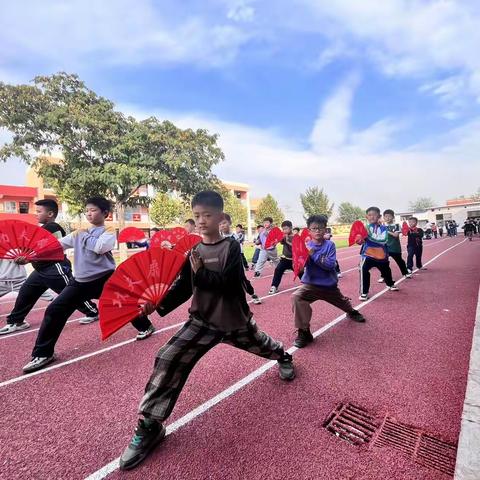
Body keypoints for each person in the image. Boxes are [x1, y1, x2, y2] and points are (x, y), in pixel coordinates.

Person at [119, 191, 295, 471]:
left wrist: (200, 272)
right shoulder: (193, 252)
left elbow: (228, 283)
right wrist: (156, 305)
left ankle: (284, 356)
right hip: (201, 321)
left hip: (234, 320)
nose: (201, 221)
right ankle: (150, 425)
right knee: (168, 357)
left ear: (221, 218)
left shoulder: (231, 248)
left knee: (262, 344)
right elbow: (185, 287)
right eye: (197, 215)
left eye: (207, 216)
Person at [22, 197, 155, 373]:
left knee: (124, 304)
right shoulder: (79, 233)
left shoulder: (108, 231)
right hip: (80, 281)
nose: (88, 213)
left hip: (105, 278)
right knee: (55, 310)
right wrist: (30, 255)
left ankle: (145, 326)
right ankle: (43, 353)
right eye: (87, 210)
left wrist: (84, 235)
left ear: (105, 213)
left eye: (93, 210)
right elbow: (56, 246)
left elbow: (100, 248)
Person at [0, 199, 98, 336]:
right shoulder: (40, 229)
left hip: (55, 268)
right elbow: (33, 250)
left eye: (39, 211)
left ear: (50, 213)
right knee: (25, 293)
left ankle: (92, 311)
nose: (36, 214)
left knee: (70, 293)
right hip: (40, 269)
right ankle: (16, 321)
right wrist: (27, 258)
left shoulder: (53, 227)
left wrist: (28, 257)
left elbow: (53, 248)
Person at [292, 215, 365, 348]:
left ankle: (352, 311)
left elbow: (330, 265)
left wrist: (312, 253)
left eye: (320, 228)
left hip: (329, 286)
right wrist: (300, 262)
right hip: (311, 285)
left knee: (343, 303)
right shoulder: (306, 246)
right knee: (297, 297)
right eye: (314, 228)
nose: (318, 231)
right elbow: (299, 266)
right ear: (309, 230)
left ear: (325, 229)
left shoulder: (330, 245)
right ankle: (304, 332)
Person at [358, 207, 398, 301]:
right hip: (367, 254)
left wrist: (368, 236)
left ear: (379, 216)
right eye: (369, 215)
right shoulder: (364, 228)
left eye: (374, 215)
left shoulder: (384, 228)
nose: (372, 217)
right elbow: (360, 241)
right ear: (366, 217)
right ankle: (364, 292)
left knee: (386, 271)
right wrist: (359, 240)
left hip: (381, 256)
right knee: (363, 269)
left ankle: (390, 284)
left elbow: (383, 240)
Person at [220, 214, 261, 305]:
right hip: (223, 264)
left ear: (230, 223)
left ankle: (253, 294)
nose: (222, 226)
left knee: (242, 280)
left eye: (224, 223)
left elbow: (236, 252)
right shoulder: (218, 237)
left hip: (235, 263)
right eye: (219, 224)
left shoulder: (235, 237)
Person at [378, 209, 411, 283]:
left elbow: (395, 235)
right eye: (385, 217)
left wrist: (385, 230)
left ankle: (405, 273)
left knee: (400, 261)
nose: (387, 218)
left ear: (393, 217)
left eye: (389, 216)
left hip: (395, 247)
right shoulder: (382, 226)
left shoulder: (396, 225)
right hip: (385, 248)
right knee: (384, 263)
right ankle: (384, 277)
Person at [269, 220, 294, 294]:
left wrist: (287, 240)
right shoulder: (284, 236)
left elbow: (295, 246)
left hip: (294, 260)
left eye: (286, 229)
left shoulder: (295, 236)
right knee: (278, 270)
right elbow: (279, 240)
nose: (284, 230)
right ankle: (274, 286)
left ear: (291, 228)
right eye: (283, 229)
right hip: (285, 259)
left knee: (301, 274)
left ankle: (309, 284)